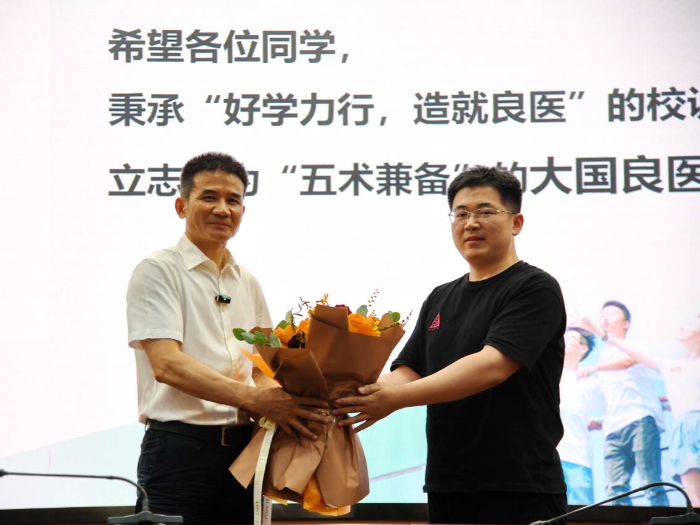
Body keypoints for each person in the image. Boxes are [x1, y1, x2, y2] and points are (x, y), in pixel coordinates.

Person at [333, 166, 568, 524]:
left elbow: (492, 366)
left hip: (519, 485)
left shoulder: (534, 288)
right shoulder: (441, 297)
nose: (471, 223)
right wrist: (353, 393)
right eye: (461, 214)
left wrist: (395, 399)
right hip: (448, 483)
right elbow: (408, 371)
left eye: (485, 212)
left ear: (516, 222)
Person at [126, 152, 330, 525]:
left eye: (233, 200)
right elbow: (167, 364)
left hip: (244, 451)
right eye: (209, 197)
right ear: (181, 206)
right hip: (178, 451)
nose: (222, 209)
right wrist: (257, 400)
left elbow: (264, 367)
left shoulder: (247, 282)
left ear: (242, 211)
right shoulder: (158, 270)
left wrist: (286, 404)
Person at [578, 312, 700, 507]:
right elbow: (617, 391)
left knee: (651, 482)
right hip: (669, 426)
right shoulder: (671, 366)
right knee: (692, 496)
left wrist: (598, 337)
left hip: (649, 421)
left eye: (611, 314)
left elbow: (630, 358)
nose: (683, 325)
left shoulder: (641, 349)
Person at [572, 301, 669, 506]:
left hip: (640, 420)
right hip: (612, 428)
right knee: (615, 489)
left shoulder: (636, 346)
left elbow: (627, 361)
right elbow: (611, 395)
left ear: (626, 324)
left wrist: (596, 368)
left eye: (611, 314)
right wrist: (599, 421)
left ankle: (661, 517)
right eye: (602, 315)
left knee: (650, 482)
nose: (604, 318)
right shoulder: (604, 355)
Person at [558, 327, 605, 505]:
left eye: (570, 338)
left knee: (581, 511)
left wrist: (597, 421)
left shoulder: (589, 382)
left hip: (576, 456)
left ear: (583, 348)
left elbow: (612, 409)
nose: (563, 339)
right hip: (546, 457)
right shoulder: (547, 376)